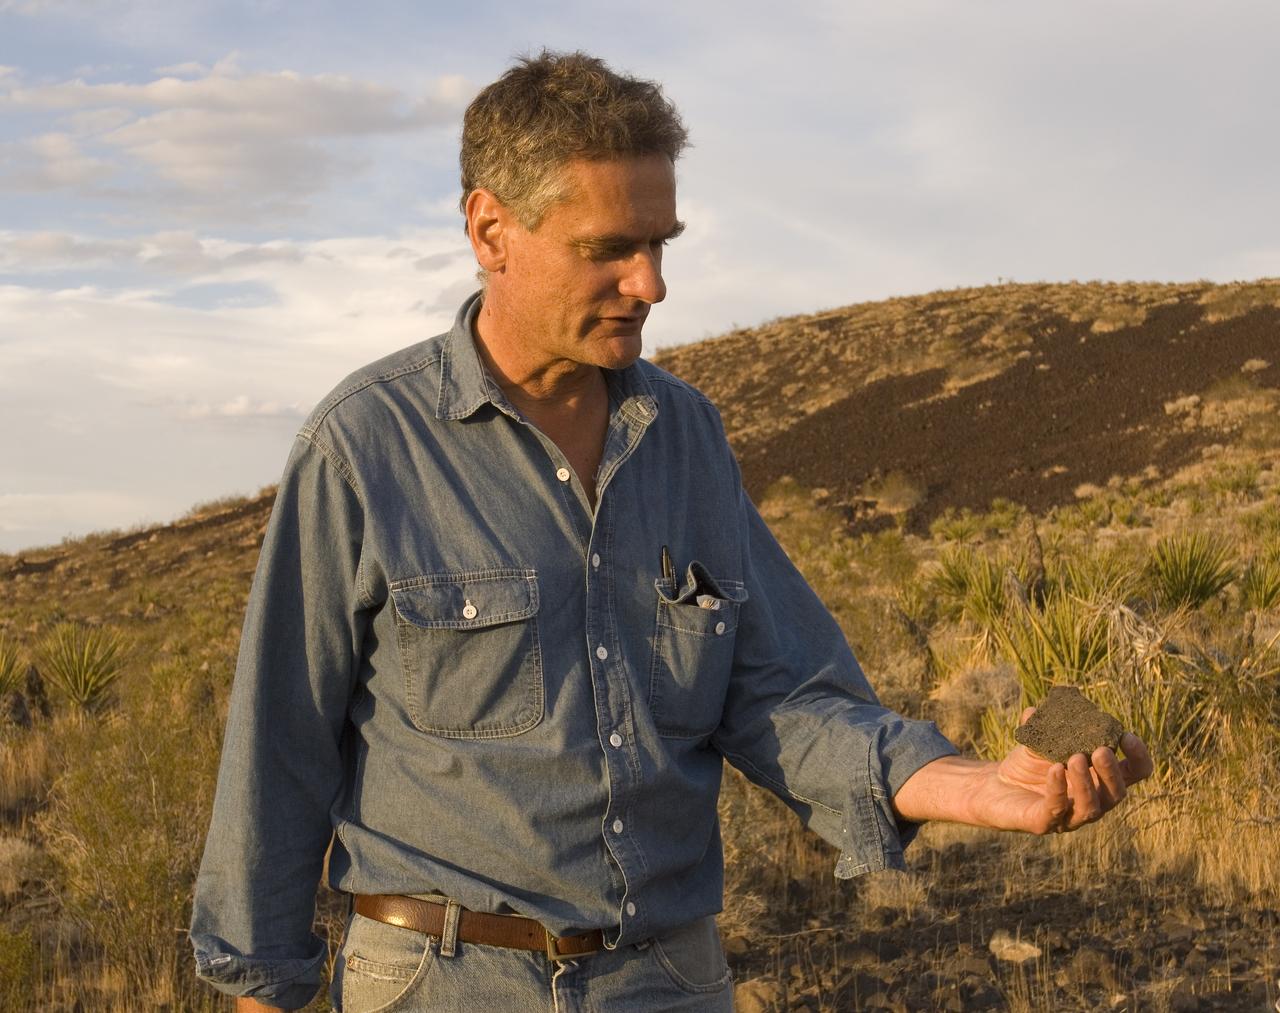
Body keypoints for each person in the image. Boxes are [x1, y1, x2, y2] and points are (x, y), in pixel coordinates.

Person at [190, 50, 1152, 1012]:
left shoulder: (686, 437)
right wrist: (260, 986)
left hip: (667, 977)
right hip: (442, 980)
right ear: (491, 229)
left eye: (662, 243)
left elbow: (778, 690)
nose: (650, 284)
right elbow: (281, 746)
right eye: (610, 247)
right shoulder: (366, 444)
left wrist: (967, 783)